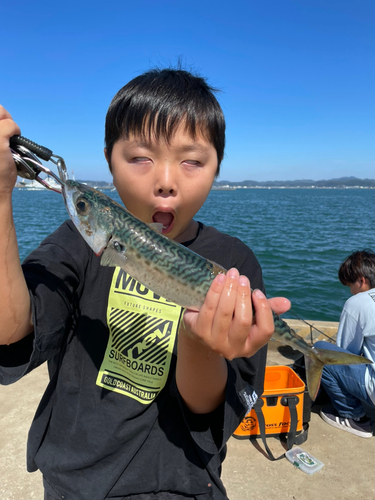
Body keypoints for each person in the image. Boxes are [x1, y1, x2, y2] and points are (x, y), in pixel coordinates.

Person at [0, 68, 290, 500]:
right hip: (74, 485)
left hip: (186, 485)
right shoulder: (75, 244)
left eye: (192, 161)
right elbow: (10, 330)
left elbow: (207, 411)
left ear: (217, 168)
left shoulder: (233, 264)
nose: (166, 181)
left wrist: (200, 343)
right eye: (140, 158)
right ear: (108, 160)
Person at [316, 249, 375, 438]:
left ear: (361, 280)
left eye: (350, 285)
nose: (351, 291)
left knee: (320, 352)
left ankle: (354, 418)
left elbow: (344, 354)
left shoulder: (357, 302)